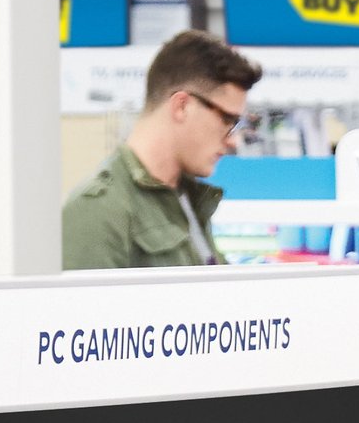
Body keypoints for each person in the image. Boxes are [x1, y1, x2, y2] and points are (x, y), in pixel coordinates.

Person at [59, 29, 260, 269]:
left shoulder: (184, 197)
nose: (233, 141)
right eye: (228, 121)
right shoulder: (97, 211)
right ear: (182, 106)